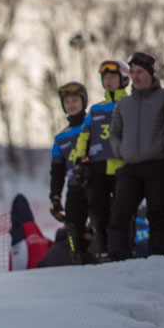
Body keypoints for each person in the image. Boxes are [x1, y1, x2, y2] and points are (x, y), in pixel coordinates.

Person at [106, 52, 164, 260]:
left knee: (159, 215)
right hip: (130, 166)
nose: (136, 76)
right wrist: (120, 151)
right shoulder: (124, 104)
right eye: (132, 72)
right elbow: (114, 133)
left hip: (159, 164)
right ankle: (118, 258)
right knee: (119, 213)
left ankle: (159, 258)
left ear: (150, 73)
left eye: (140, 71)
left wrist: (162, 144)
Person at [70, 60, 129, 258]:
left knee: (122, 211)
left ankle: (124, 250)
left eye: (112, 77)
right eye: (105, 77)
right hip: (97, 167)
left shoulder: (130, 104)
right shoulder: (95, 109)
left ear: (124, 79)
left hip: (122, 165)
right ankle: (103, 249)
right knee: (97, 210)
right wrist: (79, 159)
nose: (108, 81)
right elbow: (84, 135)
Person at [49, 81, 94, 262]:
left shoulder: (93, 125)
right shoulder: (61, 138)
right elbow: (57, 171)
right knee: (73, 225)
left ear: (83, 101)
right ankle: (78, 256)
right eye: (67, 102)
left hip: (97, 182)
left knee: (101, 221)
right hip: (75, 187)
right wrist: (55, 196)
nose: (71, 104)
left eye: (75, 100)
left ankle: (104, 253)